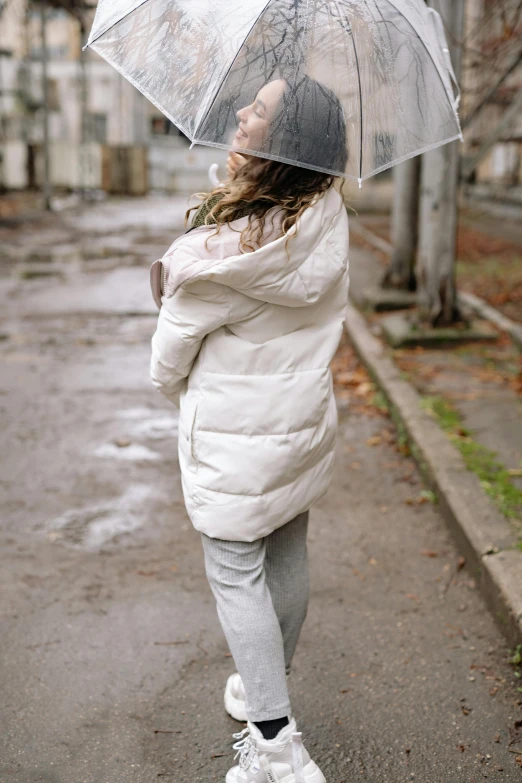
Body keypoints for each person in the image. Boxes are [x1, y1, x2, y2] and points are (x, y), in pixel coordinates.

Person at [150, 74, 349, 783]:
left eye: (257, 110)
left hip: (234, 438)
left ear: (284, 141)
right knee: (287, 548)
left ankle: (275, 745)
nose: (240, 112)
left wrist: (176, 380)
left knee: (237, 574)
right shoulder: (325, 217)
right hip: (297, 426)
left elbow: (168, 357)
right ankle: (264, 689)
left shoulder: (224, 251)